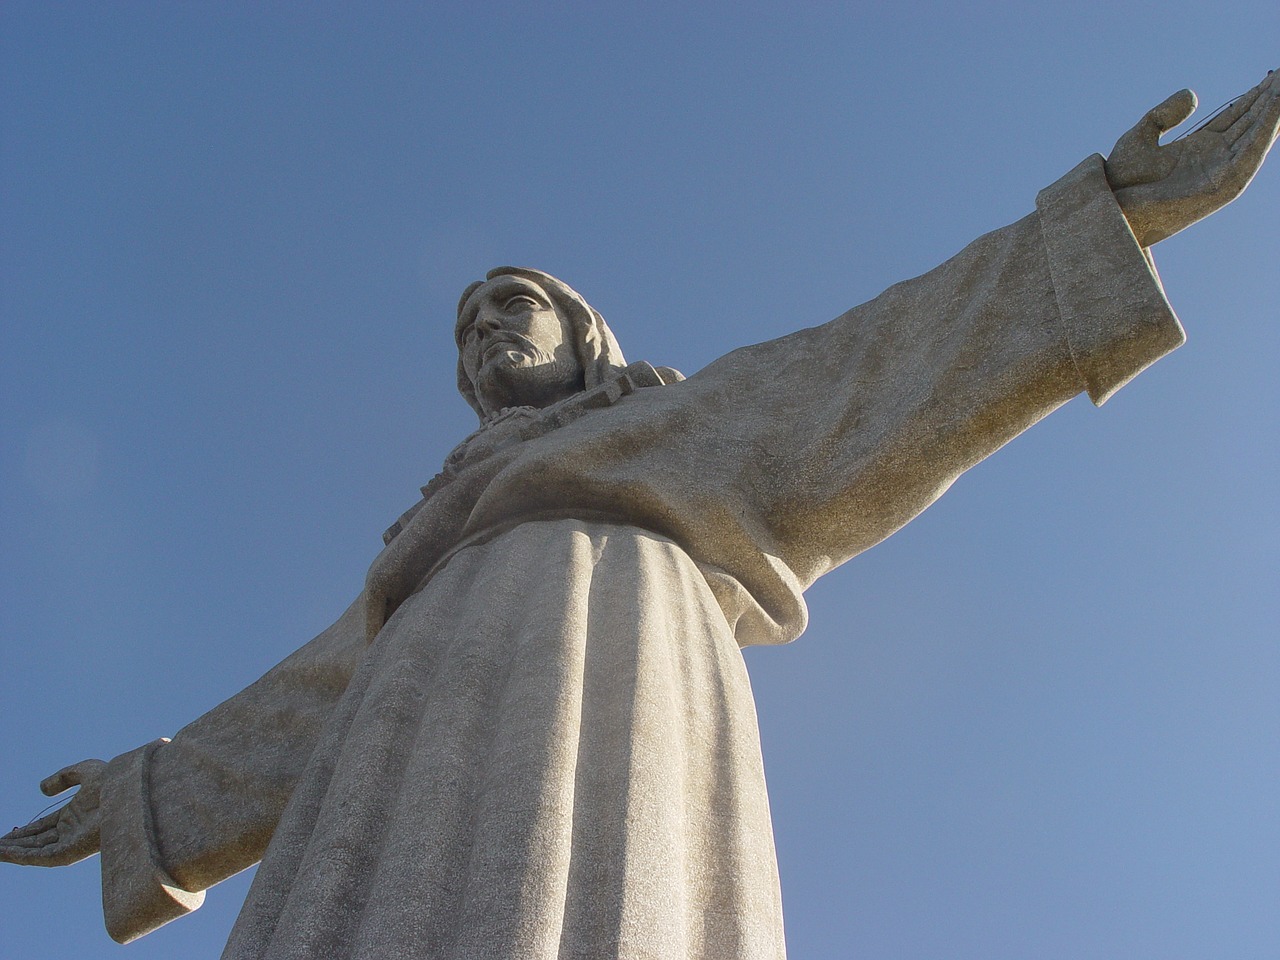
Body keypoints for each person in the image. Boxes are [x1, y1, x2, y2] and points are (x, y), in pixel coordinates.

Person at [3, 74, 1278, 960]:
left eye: (513, 303)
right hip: (408, 712)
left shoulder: (682, 427)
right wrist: (155, 796)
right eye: (464, 326)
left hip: (614, 645)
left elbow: (873, 366)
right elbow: (315, 691)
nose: (485, 326)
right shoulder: (427, 543)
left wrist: (1100, 221)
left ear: (583, 333)